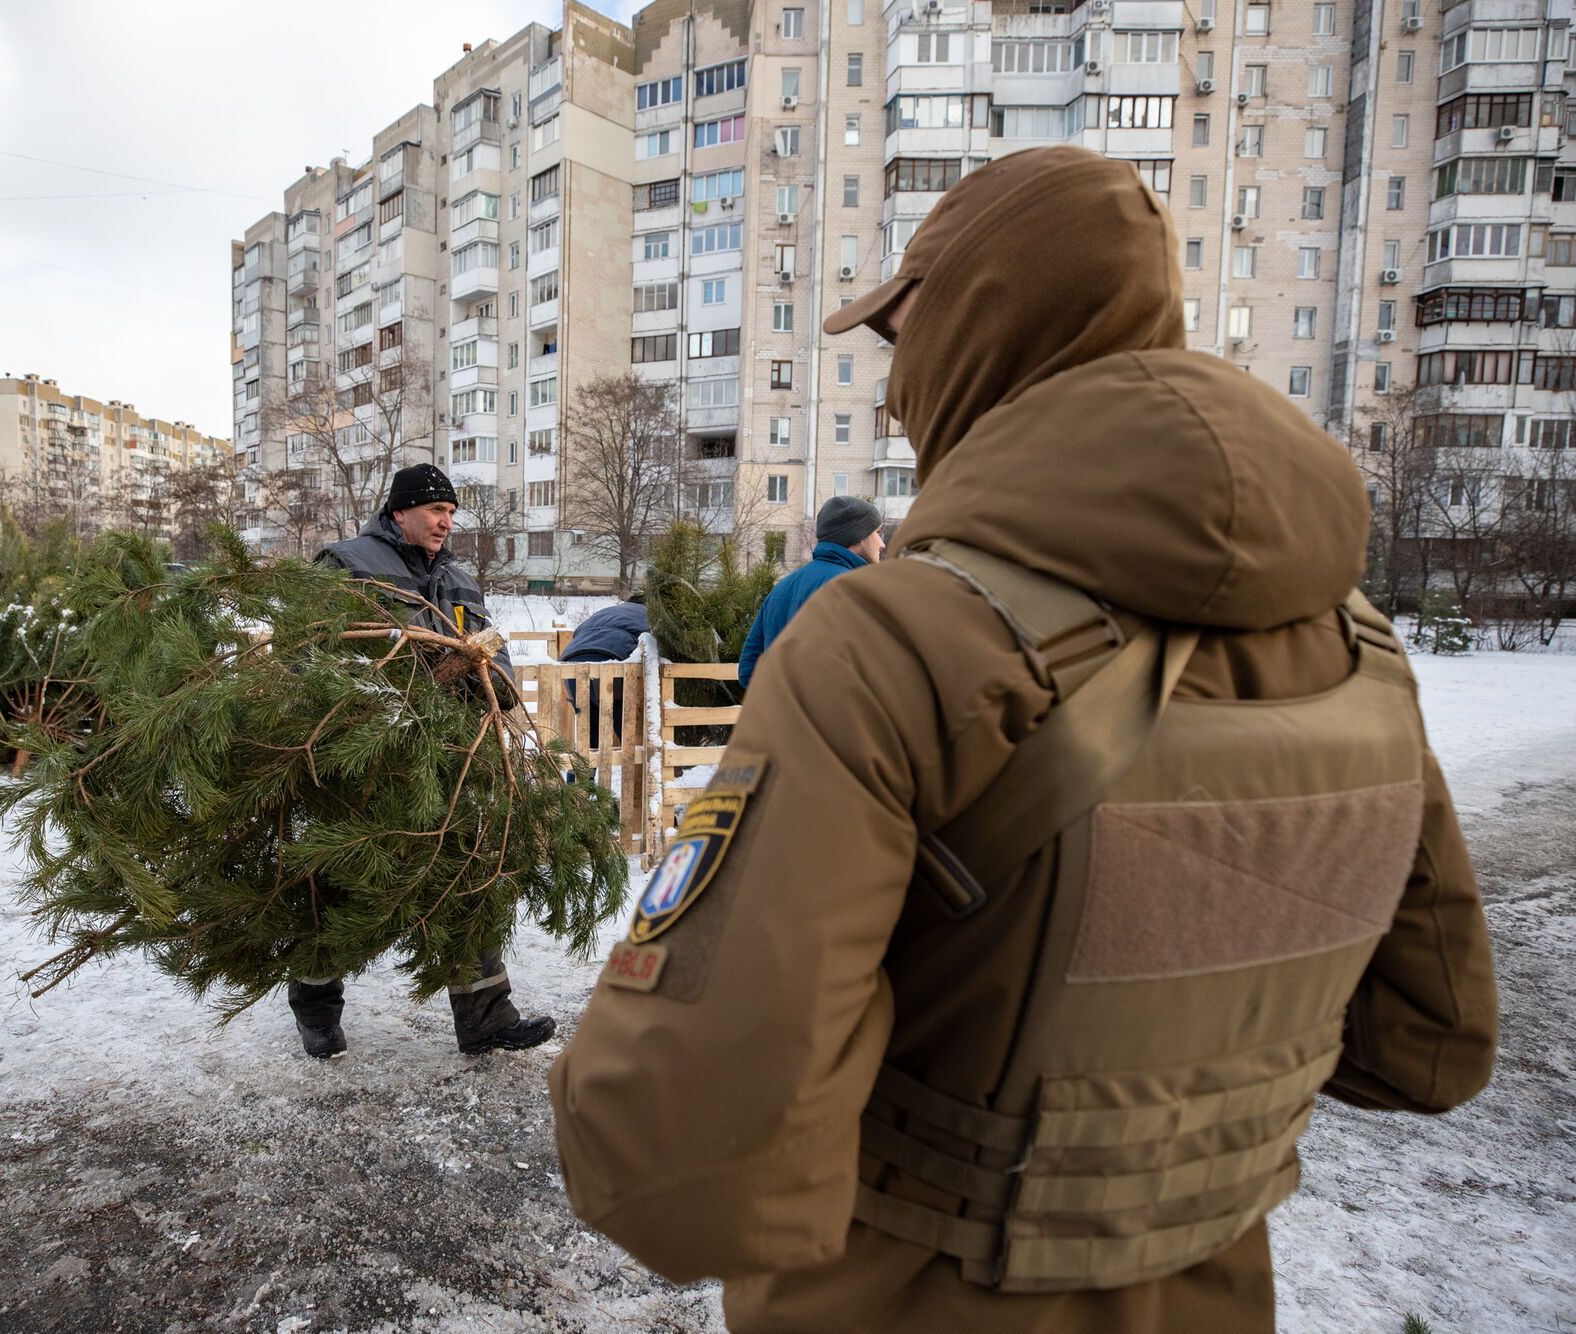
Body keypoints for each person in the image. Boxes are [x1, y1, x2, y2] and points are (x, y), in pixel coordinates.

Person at [548, 146, 1497, 1332]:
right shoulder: (1361, 650)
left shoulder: (894, 644)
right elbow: (1428, 1043)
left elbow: (672, 1152)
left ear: (979, 333)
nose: (892, 397)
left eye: (903, 342)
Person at [298, 462, 556, 1060]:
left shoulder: (461, 580)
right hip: (368, 759)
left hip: (448, 755)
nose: (445, 521)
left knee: (464, 875)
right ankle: (315, 1010)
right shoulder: (347, 566)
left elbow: (493, 650)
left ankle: (486, 1016)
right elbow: (311, 654)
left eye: (450, 512)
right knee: (341, 883)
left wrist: (496, 683)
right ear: (399, 513)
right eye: (435, 510)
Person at [736, 496, 884, 690]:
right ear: (858, 536)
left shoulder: (782, 588)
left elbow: (747, 670)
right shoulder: (853, 590)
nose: (882, 543)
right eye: (877, 532)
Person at [559, 593, 648, 750]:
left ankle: (583, 774)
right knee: (627, 731)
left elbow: (578, 632)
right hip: (612, 664)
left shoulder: (607, 611)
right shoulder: (649, 616)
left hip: (572, 664)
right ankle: (631, 767)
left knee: (588, 734)